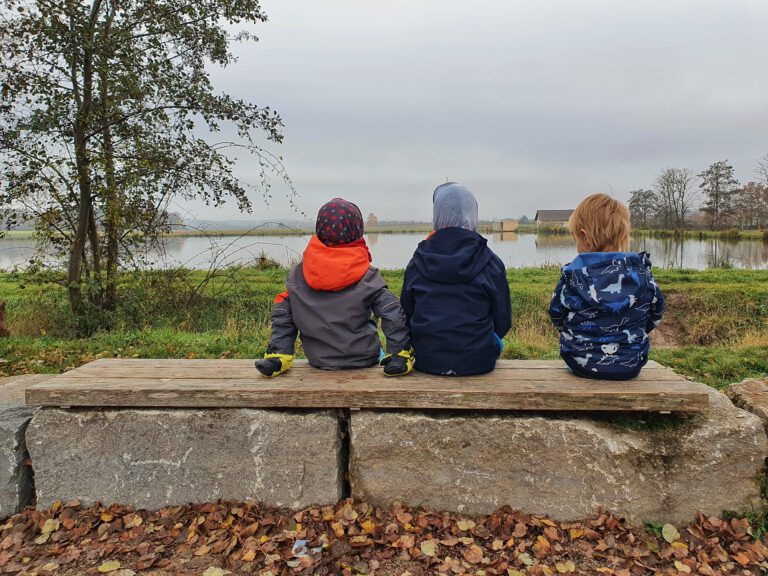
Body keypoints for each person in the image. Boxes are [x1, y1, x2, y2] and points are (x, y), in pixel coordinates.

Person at [255, 198, 413, 377]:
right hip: (364, 358)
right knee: (383, 354)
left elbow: (283, 314)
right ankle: (398, 357)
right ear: (357, 230)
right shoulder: (366, 274)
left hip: (319, 359)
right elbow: (391, 312)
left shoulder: (298, 274)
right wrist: (399, 353)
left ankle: (276, 359)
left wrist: (279, 352)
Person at [548, 193, 665, 380]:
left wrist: (573, 333)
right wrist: (636, 332)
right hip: (632, 362)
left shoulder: (572, 276)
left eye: (575, 237)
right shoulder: (642, 274)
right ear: (624, 235)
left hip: (579, 362)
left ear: (584, 236)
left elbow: (556, 313)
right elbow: (656, 312)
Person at [400, 182, 511, 375]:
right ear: (473, 215)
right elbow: (503, 321)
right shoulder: (491, 261)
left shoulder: (417, 261)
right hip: (479, 360)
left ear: (437, 215)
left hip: (427, 359)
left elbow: (406, 314)